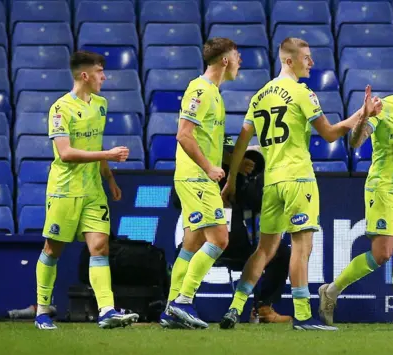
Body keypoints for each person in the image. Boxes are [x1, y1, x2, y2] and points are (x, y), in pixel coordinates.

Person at [218, 37, 381, 331]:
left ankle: (234, 307)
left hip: (271, 182)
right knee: (302, 248)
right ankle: (304, 316)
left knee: (264, 250)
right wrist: (362, 114)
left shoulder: (260, 95)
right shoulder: (302, 93)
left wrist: (231, 180)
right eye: (306, 57)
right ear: (289, 60)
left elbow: (242, 142)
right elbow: (331, 134)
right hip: (298, 179)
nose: (312, 63)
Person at [317, 60, 393, 331]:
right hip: (382, 190)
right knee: (382, 255)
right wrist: (363, 118)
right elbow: (355, 142)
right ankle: (331, 291)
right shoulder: (382, 109)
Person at [34, 51, 139, 330]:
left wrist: (110, 178)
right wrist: (109, 153)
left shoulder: (101, 105)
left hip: (93, 189)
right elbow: (66, 153)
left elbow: (95, 146)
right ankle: (42, 310)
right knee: (52, 249)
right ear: (85, 75)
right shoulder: (60, 109)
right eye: (99, 72)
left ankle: (106, 310)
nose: (104, 77)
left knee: (100, 246)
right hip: (65, 190)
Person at [162, 139, 292, 328]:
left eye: (234, 153)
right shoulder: (197, 175)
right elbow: (176, 201)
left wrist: (253, 177)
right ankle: (178, 304)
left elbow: (256, 202)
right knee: (185, 249)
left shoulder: (238, 178)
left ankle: (264, 307)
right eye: (228, 154)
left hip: (239, 246)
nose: (232, 157)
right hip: (204, 242)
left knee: (280, 251)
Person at [162, 38, 241, 330]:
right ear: (224, 60)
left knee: (192, 242)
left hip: (197, 175)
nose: (239, 61)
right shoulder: (200, 90)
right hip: (196, 176)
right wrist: (209, 167)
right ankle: (182, 302)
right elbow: (184, 134)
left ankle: (170, 312)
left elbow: (206, 137)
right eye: (236, 56)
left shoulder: (215, 93)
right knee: (219, 240)